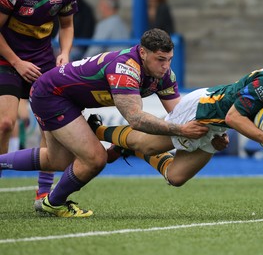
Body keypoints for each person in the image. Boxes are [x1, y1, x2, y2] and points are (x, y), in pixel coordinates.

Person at [0, 28, 209, 217]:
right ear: (143, 53)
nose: (165, 66)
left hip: (63, 97)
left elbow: (180, 113)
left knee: (59, 161)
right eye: (160, 59)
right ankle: (53, 203)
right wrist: (181, 129)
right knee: (95, 158)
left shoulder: (164, 75)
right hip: (51, 95)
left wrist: (211, 130)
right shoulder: (125, 68)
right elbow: (136, 119)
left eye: (169, 59)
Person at [88, 53, 263, 187]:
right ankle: (98, 129)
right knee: (147, 144)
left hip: (219, 125)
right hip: (202, 110)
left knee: (175, 178)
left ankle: (128, 148)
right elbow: (234, 116)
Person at [0, 0, 77, 179]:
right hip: (6, 60)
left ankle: (43, 193)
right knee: (5, 123)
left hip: (42, 62)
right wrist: (17, 62)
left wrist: (64, 53)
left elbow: (67, 25)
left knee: (50, 129)